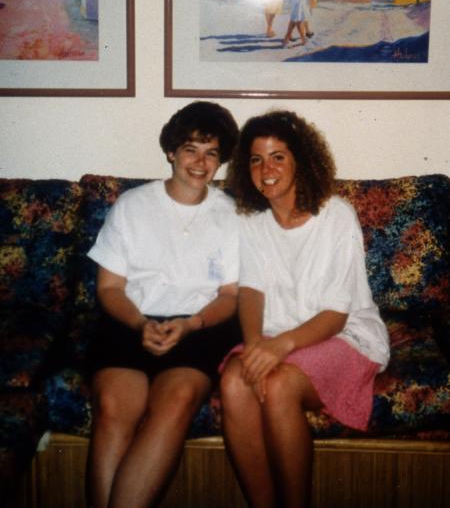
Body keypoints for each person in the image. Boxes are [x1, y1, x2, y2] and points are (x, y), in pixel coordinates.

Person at [220, 110, 390, 508]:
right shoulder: (250, 221)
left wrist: (277, 348)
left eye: (278, 157)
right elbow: (250, 290)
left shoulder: (337, 215)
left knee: (279, 384)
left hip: (345, 335)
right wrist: (255, 345)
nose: (267, 170)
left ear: (301, 160)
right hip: (276, 335)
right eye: (257, 159)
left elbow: (336, 314)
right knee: (233, 381)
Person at [86, 101, 241, 508]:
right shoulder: (132, 205)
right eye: (191, 149)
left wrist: (190, 325)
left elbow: (230, 296)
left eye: (211, 153)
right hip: (130, 320)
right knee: (113, 407)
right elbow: (109, 288)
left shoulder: (231, 216)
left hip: (199, 326)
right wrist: (140, 325)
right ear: (171, 152)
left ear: (221, 160)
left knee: (176, 401)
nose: (200, 163)